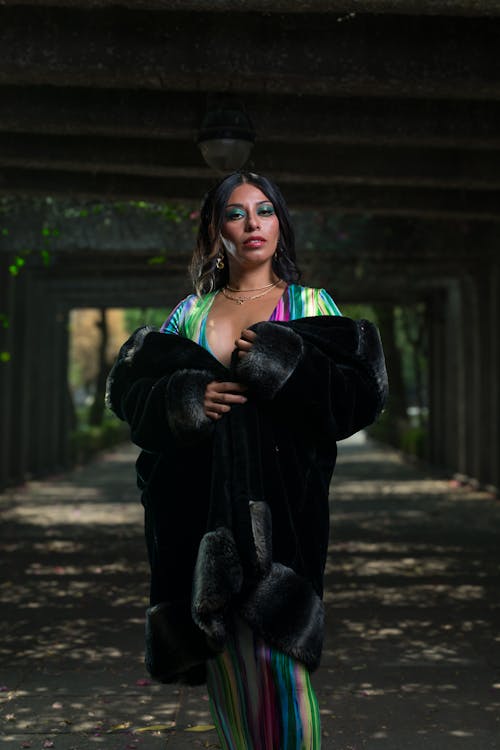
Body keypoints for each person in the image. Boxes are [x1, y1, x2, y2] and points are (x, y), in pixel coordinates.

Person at [106, 171, 387, 749]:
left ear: (280, 224)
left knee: (282, 671)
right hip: (199, 516)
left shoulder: (311, 304)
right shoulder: (189, 312)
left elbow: (357, 396)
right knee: (230, 676)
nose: (252, 224)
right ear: (217, 230)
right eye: (236, 214)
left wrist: (286, 365)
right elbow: (132, 397)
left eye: (264, 211)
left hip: (285, 514)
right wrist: (186, 398)